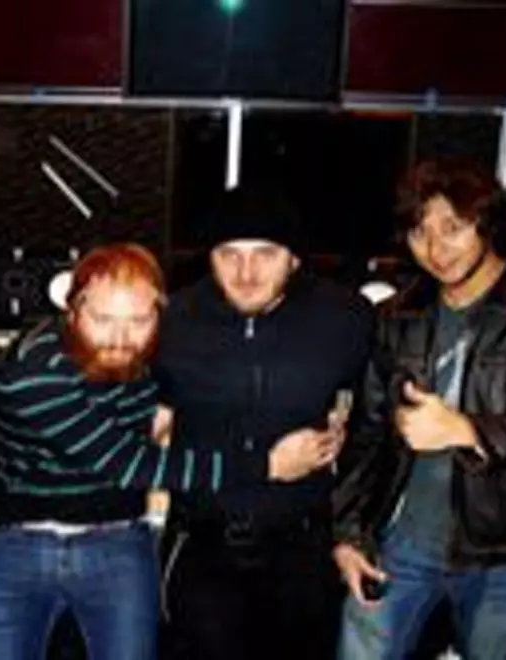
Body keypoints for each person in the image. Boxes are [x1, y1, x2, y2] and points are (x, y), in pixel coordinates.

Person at [0, 242, 320, 660]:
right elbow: (129, 464)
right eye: (103, 319)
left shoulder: (155, 352)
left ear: (159, 314)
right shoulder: (32, 372)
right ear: (73, 311)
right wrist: (267, 464)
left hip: (118, 535)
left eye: (138, 320)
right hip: (22, 544)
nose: (121, 339)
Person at [333, 159, 506, 659]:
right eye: (419, 232)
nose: (435, 248)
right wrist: (348, 533)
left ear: (487, 225)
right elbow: (368, 432)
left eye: (453, 228)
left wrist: (471, 430)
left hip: (504, 549)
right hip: (401, 543)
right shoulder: (397, 317)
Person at [153, 185, 374, 659]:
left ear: (294, 259)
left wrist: (351, 534)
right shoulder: (172, 321)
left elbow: (372, 433)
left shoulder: (347, 319)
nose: (246, 273)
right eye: (229, 254)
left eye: (265, 254)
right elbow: (144, 425)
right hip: (202, 547)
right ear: (209, 257)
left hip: (304, 550)